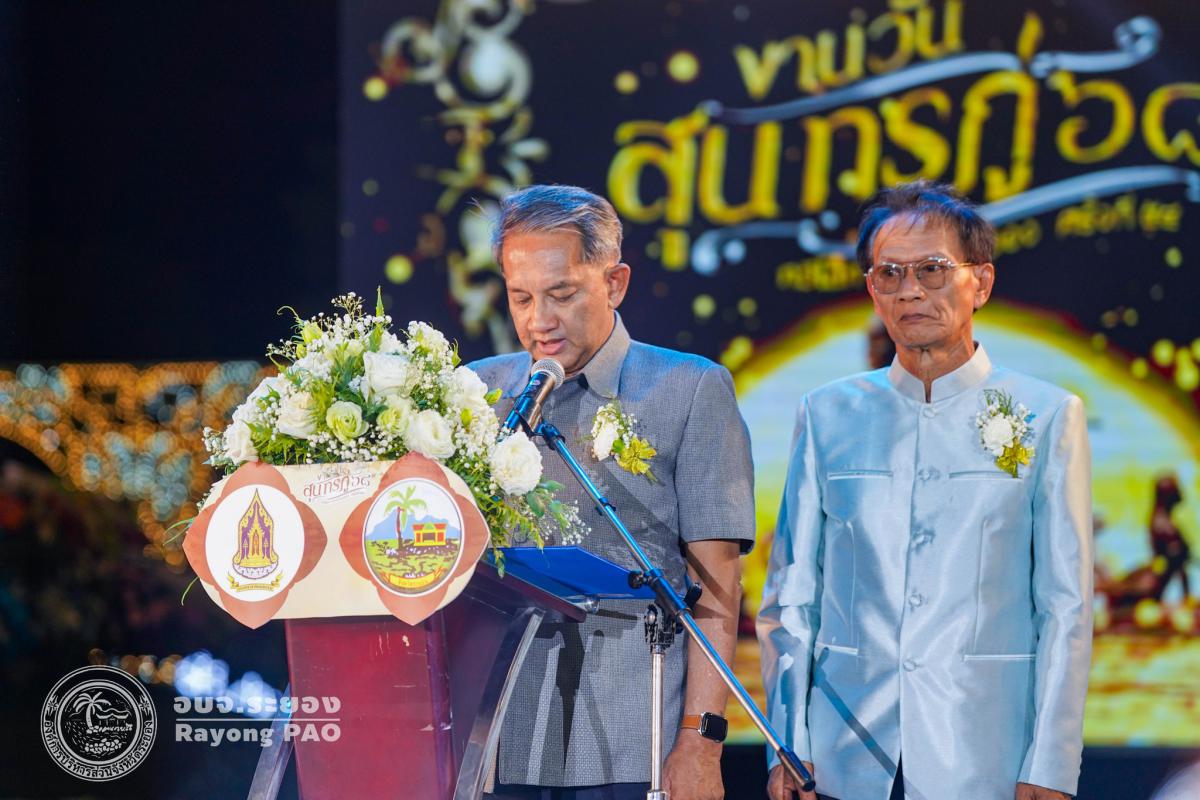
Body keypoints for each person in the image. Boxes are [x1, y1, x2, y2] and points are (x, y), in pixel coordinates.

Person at [758, 181, 1093, 800]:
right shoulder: (827, 414)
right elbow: (792, 597)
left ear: (980, 283)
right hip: (843, 756)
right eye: (889, 273)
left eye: (933, 270)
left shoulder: (1046, 414)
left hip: (983, 756)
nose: (910, 290)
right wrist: (787, 745)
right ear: (872, 290)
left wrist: (1051, 764)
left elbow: (1065, 609)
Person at [472, 184, 755, 800]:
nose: (539, 320)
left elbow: (717, 584)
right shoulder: (476, 392)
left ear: (615, 284)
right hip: (497, 736)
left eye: (562, 294)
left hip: (634, 735)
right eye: (521, 297)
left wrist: (701, 740)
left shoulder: (689, 389)